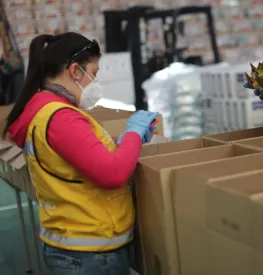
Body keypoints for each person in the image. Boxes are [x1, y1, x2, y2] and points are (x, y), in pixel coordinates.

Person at [3, 32, 158, 275]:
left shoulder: (45, 110)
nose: (95, 82)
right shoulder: (61, 118)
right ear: (75, 71)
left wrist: (125, 142)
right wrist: (134, 134)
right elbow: (113, 174)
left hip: (75, 243)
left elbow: (74, 159)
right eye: (93, 73)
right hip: (89, 253)